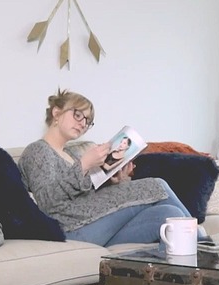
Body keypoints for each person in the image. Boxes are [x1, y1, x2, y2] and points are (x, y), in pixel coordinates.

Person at [18, 88, 195, 247]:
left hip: (95, 226)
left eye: (87, 121)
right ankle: (204, 246)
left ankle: (193, 258)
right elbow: (47, 203)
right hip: (70, 229)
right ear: (57, 113)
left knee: (169, 214)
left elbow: (85, 196)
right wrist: (84, 165)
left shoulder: (72, 154)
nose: (83, 123)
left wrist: (114, 181)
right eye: (78, 115)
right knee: (157, 185)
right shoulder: (38, 150)